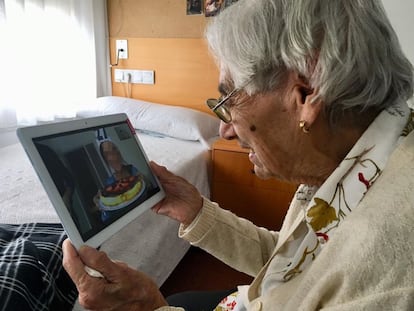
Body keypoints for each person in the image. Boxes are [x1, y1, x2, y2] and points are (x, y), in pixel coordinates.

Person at [2, 0, 413, 310]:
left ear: (306, 94)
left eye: (229, 98)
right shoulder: (350, 163)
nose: (225, 128)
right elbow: (289, 259)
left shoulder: (390, 266)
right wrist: (198, 213)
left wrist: (151, 308)